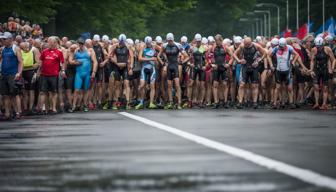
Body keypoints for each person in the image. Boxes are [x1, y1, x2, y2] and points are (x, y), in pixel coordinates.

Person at [269, 38, 307, 109]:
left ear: (285, 45)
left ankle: (291, 103)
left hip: (287, 70)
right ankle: (274, 103)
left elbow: (297, 54)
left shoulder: (289, 48)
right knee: (278, 87)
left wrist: (293, 62)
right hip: (278, 70)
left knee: (289, 88)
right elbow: (269, 55)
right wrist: (271, 65)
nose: (282, 48)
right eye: (280, 46)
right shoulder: (276, 48)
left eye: (283, 46)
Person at [233, 37, 266, 109]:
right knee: (242, 85)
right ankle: (240, 102)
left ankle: (254, 102)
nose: (245, 45)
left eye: (247, 44)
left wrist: (259, 61)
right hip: (245, 67)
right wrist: (239, 60)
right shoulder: (242, 46)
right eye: (245, 44)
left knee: (254, 85)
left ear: (250, 43)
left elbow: (265, 53)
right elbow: (234, 54)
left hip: (254, 67)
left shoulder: (256, 46)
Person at [160, 33, 189, 109]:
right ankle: (170, 102)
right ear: (167, 40)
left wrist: (182, 62)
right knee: (169, 85)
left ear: (173, 39)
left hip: (175, 66)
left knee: (177, 85)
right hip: (169, 66)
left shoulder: (178, 45)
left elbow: (187, 56)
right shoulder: (164, 46)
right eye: (168, 40)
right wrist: (163, 63)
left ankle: (179, 103)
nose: (169, 42)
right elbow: (158, 55)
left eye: (171, 40)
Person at [69, 38, 98, 112]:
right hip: (79, 73)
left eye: (81, 44)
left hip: (87, 73)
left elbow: (95, 62)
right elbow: (70, 61)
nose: (80, 45)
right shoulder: (75, 50)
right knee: (77, 90)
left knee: (86, 89)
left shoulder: (90, 50)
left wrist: (94, 72)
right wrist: (75, 63)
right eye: (79, 44)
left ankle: (85, 104)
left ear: (84, 44)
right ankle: (74, 106)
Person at [38, 36, 65, 114]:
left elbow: (62, 62)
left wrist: (63, 70)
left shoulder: (59, 52)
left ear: (55, 43)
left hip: (54, 75)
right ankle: (42, 108)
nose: (49, 44)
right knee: (43, 92)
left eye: (51, 43)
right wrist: (38, 72)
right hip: (44, 75)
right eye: (48, 42)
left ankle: (53, 108)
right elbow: (40, 62)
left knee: (54, 92)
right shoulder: (44, 51)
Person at [0, 32, 23, 120]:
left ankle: (18, 112)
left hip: (13, 74)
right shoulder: (3, 49)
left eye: (4, 39)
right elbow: (1, 60)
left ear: (10, 39)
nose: (2, 40)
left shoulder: (15, 48)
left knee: (15, 94)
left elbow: (20, 61)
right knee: (5, 95)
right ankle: (7, 113)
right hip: (4, 74)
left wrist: (19, 73)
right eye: (2, 39)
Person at [310, 37, 335, 110]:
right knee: (316, 87)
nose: (319, 48)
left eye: (320, 46)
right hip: (317, 70)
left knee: (325, 88)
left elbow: (333, 59)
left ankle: (324, 103)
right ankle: (317, 103)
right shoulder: (314, 49)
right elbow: (312, 61)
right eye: (317, 46)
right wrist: (311, 70)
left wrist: (332, 68)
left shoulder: (327, 49)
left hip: (325, 70)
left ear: (322, 45)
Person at [135, 36, 160, 109]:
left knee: (152, 85)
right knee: (142, 85)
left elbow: (162, 50)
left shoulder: (154, 46)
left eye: (149, 43)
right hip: (144, 68)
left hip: (152, 69)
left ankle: (151, 103)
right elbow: (139, 58)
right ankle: (141, 102)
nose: (148, 44)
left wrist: (158, 57)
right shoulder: (143, 47)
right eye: (147, 43)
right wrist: (151, 58)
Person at [109, 34, 134, 109]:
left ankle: (127, 102)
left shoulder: (128, 46)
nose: (121, 43)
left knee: (126, 83)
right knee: (117, 84)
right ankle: (116, 102)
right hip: (117, 67)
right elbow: (110, 56)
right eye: (120, 42)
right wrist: (116, 62)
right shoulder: (115, 46)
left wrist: (131, 68)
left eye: (123, 42)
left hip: (125, 67)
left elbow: (132, 57)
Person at [210, 34, 233, 108]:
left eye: (218, 41)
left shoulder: (225, 47)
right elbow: (208, 56)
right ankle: (216, 102)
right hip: (216, 68)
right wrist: (212, 64)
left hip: (223, 68)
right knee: (215, 85)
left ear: (221, 40)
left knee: (225, 85)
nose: (217, 43)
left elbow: (233, 56)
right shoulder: (213, 47)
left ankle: (225, 102)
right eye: (216, 41)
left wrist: (229, 64)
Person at [20, 42, 40, 114]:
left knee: (31, 90)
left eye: (25, 47)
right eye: (22, 48)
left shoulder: (34, 50)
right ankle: (25, 108)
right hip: (23, 72)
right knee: (25, 91)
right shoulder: (20, 50)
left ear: (27, 45)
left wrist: (36, 72)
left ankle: (31, 108)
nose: (24, 49)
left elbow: (38, 62)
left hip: (31, 72)